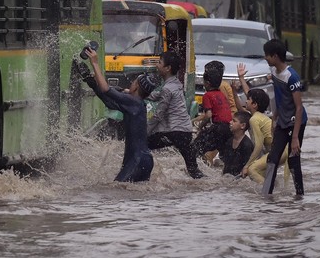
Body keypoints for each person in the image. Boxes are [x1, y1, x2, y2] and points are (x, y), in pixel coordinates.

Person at [79, 47, 156, 182]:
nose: (130, 84)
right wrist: (91, 82)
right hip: (144, 159)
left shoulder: (133, 102)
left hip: (137, 160)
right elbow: (109, 102)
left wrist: (95, 63)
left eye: (133, 82)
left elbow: (106, 89)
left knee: (116, 189)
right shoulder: (138, 104)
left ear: (136, 87)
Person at [147, 51, 205, 179]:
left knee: (144, 144)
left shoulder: (168, 88)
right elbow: (156, 95)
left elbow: (158, 115)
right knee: (194, 171)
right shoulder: (175, 84)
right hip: (185, 131)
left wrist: (146, 130)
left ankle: (142, 178)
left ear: (167, 68)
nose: (157, 65)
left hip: (175, 132)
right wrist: (130, 92)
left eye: (159, 63)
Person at [261, 39, 307, 196]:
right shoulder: (274, 73)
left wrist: (295, 137)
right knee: (272, 159)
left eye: (266, 55)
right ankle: (266, 195)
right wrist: (274, 119)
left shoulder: (292, 77)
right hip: (282, 120)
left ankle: (299, 195)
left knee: (293, 160)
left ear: (274, 56)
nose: (265, 58)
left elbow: (299, 108)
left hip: (296, 122)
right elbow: (279, 98)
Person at [233, 64, 290, 184]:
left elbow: (258, 147)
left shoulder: (254, 120)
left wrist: (247, 166)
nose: (246, 100)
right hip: (282, 149)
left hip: (280, 151)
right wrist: (241, 78)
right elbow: (251, 94)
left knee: (253, 170)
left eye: (248, 100)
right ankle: (272, 192)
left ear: (254, 105)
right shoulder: (259, 115)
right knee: (263, 174)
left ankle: (268, 194)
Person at [189, 60, 233, 167]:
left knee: (194, 149)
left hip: (218, 128)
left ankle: (193, 171)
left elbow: (208, 115)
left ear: (207, 83)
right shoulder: (222, 94)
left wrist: (201, 126)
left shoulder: (207, 95)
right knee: (226, 157)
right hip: (229, 127)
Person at [220, 111, 254, 176]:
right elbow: (225, 164)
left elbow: (246, 169)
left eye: (234, 121)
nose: (230, 122)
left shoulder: (247, 145)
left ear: (243, 126)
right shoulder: (229, 141)